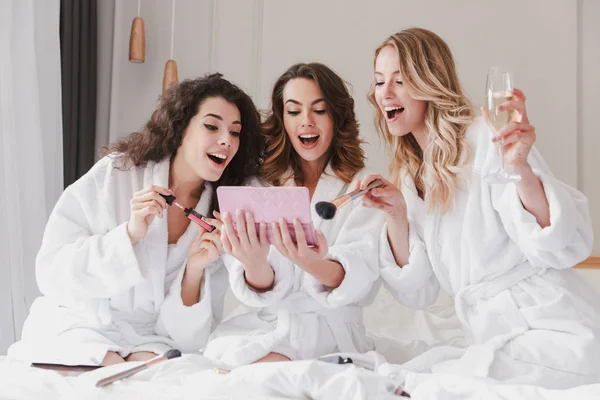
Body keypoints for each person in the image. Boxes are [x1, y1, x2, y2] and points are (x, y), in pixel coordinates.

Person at [358, 27, 600, 388]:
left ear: (428, 82)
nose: (385, 94)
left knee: (434, 383)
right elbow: (418, 292)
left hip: (554, 326)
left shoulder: (485, 138)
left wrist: (519, 167)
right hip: (492, 335)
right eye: (379, 82)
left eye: (400, 80)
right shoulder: (412, 178)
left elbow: (561, 245)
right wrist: (396, 215)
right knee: (418, 373)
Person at [8, 73, 264, 365]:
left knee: (161, 374)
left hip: (151, 340)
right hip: (82, 324)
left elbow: (189, 336)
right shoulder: (116, 174)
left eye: (235, 132)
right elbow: (52, 271)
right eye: (211, 126)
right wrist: (129, 234)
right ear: (181, 129)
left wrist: (194, 269)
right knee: (103, 365)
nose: (226, 141)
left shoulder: (221, 211)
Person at [202, 63, 384, 366]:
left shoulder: (361, 188)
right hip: (269, 323)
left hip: (331, 329)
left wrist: (310, 262)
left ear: (337, 117)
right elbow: (254, 287)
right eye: (294, 111)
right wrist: (255, 262)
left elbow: (360, 277)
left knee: (263, 374)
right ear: (282, 119)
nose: (307, 122)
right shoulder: (257, 186)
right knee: (220, 359)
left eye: (320, 110)